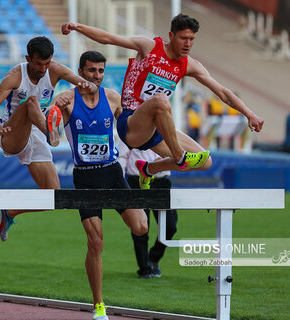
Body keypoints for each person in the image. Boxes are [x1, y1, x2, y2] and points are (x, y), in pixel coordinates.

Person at [61, 14, 264, 189]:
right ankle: (179, 156)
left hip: (156, 127)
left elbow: (222, 92)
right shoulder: (149, 46)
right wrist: (78, 27)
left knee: (205, 162)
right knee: (160, 101)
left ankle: (149, 168)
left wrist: (249, 113)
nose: (188, 44)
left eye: (192, 39)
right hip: (131, 124)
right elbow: (107, 39)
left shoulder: (189, 65)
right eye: (184, 38)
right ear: (171, 36)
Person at [51, 51, 148, 320]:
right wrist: (54, 110)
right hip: (85, 177)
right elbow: (51, 134)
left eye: (101, 71)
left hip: (112, 173)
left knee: (141, 227)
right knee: (95, 242)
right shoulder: (67, 100)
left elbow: (131, 129)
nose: (96, 76)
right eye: (92, 70)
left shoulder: (113, 98)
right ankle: (99, 304)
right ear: (80, 71)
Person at [0, 36, 97, 242]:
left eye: (47, 63)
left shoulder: (56, 70)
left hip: (37, 133)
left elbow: (84, 84)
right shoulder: (15, 76)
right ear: (28, 59)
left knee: (54, 196)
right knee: (30, 102)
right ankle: (51, 132)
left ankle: (10, 212)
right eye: (38, 64)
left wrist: (89, 87)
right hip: (13, 132)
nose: (43, 69)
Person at [117, 142, 177, 279]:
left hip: (161, 183)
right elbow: (121, 156)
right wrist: (120, 182)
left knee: (170, 226)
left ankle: (154, 258)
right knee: (140, 226)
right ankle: (144, 268)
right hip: (136, 181)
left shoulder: (165, 131)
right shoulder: (131, 130)